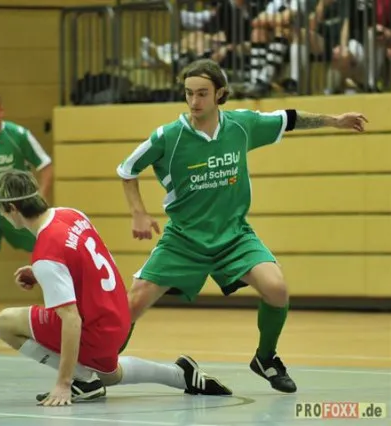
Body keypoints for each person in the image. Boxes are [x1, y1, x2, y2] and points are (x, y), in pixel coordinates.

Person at [116, 59, 367, 394]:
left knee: (276, 289)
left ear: (220, 93)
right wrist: (138, 213)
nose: (194, 101)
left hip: (233, 236)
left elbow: (289, 118)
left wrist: (334, 121)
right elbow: (127, 169)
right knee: (131, 305)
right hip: (184, 239)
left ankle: (265, 359)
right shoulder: (168, 136)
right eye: (189, 93)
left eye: (202, 93)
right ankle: (97, 366)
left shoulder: (241, 125)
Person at [0, 170, 232, 406]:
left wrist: (63, 383)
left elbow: (71, 320)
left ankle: (82, 380)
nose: (2, 216)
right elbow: (84, 262)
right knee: (108, 374)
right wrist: (43, 274)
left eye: (1, 211)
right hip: (119, 315)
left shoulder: (46, 253)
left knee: (5, 322)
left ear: (12, 208)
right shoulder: (71, 214)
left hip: (96, 328)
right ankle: (180, 375)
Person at [0, 91, 53, 338]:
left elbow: (46, 166)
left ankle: (57, 313)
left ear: (1, 111)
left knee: (46, 261)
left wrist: (39, 198)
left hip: (20, 213)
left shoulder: (18, 135)